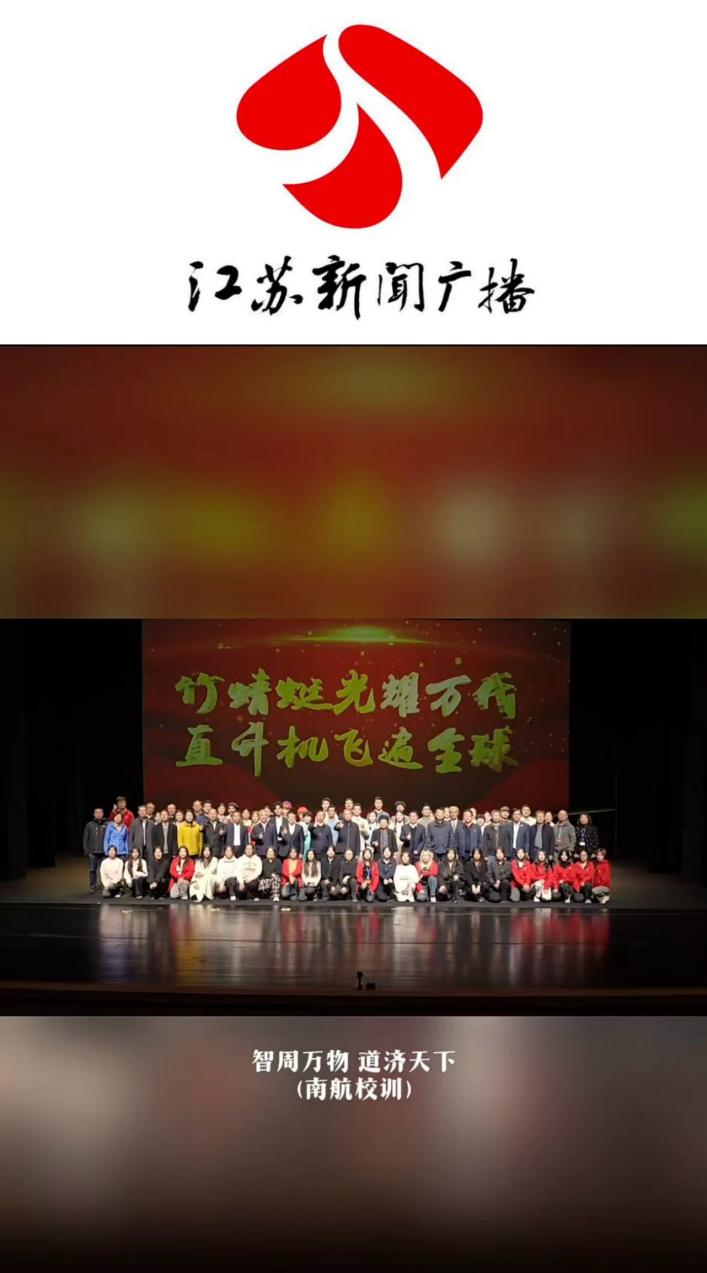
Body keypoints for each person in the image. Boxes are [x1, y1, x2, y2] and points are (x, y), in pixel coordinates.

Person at [82, 806, 106, 892]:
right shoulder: (89, 825)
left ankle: (104, 885)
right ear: (94, 814)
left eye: (100, 812)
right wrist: (87, 851)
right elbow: (85, 838)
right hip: (93, 852)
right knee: (92, 870)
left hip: (104, 852)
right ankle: (93, 885)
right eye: (97, 812)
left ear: (103, 814)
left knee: (104, 870)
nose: (99, 814)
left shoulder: (107, 824)